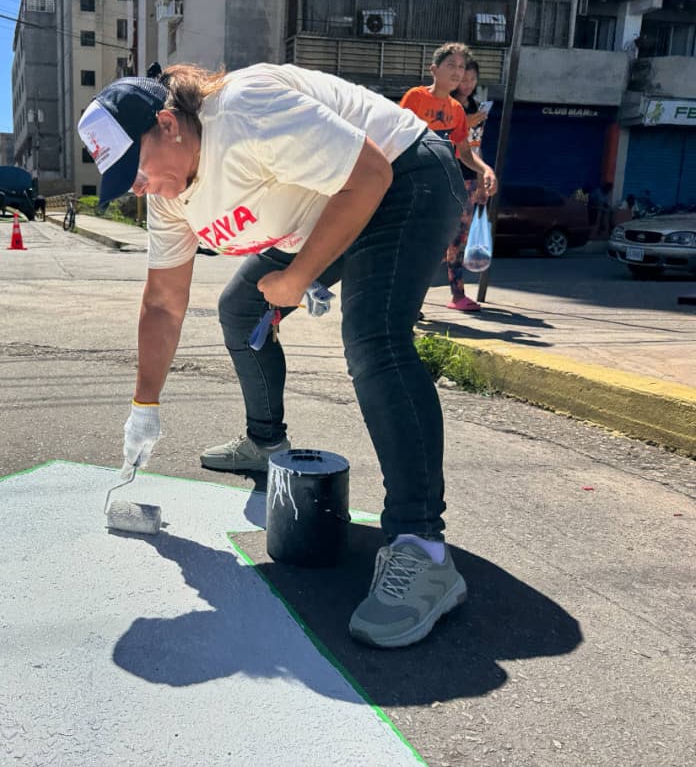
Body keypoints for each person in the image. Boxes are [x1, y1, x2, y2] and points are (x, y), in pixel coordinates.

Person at [78, 62, 479, 648]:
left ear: (169, 124)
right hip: (329, 210)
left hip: (405, 175)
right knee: (241, 308)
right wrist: (145, 404)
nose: (137, 188)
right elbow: (164, 301)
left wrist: (301, 276)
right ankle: (266, 442)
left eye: (134, 169)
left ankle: (422, 550)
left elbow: (368, 175)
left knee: (374, 337)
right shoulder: (170, 200)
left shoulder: (245, 111)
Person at [400, 44, 498, 312]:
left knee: (444, 243)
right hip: (414, 185)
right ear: (434, 69)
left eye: (462, 67)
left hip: (444, 187)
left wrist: (485, 170)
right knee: (413, 245)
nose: (458, 72)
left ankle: (429, 299)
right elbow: (398, 139)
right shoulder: (416, 98)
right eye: (451, 66)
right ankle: (407, 302)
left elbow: (464, 152)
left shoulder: (456, 109)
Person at [449, 59, 490, 303]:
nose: (468, 84)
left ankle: (458, 293)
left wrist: (481, 177)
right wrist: (465, 123)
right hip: (447, 177)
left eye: (473, 79)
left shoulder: (476, 106)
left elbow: (475, 146)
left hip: (468, 179)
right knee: (435, 239)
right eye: (464, 78)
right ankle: (415, 299)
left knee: (459, 239)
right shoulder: (447, 105)